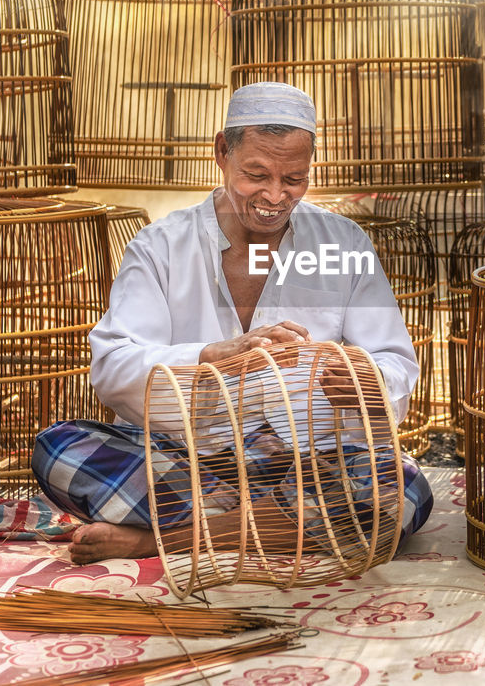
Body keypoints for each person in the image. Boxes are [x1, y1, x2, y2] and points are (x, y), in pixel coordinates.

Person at [32, 81, 434, 564]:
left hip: (304, 463)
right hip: (185, 458)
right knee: (59, 450)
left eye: (294, 179)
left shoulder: (342, 244)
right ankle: (273, 529)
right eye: (256, 174)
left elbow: (395, 364)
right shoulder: (161, 246)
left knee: (405, 487)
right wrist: (207, 356)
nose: (275, 195)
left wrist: (366, 383)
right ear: (222, 151)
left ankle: (172, 539)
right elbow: (113, 368)